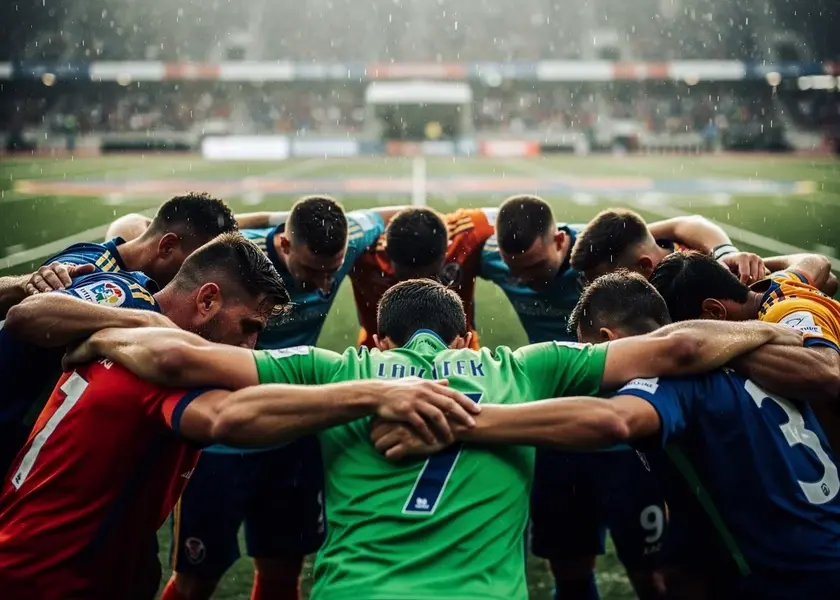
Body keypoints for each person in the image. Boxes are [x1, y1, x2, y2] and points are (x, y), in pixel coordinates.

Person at [65, 278, 798, 600]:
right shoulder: (527, 365)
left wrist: (95, 332)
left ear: (379, 335)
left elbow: (174, 360)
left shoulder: (335, 367)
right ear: (469, 336)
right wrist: (779, 323)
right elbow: (676, 350)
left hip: (359, 593)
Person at [0, 234, 476, 600]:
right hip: (54, 576)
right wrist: (371, 394)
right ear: (206, 301)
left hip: (49, 549)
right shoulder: (164, 370)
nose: (250, 347)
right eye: (248, 328)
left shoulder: (118, 314)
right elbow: (226, 419)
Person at [376, 273, 834, 600]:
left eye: (591, 347)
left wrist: (461, 421)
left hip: (789, 577)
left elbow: (613, 421)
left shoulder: (671, 384)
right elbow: (810, 269)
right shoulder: (776, 366)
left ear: (609, 338)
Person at [480, 196, 759, 599]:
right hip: (558, 436)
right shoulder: (506, 257)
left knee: (657, 576)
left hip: (633, 440)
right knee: (569, 569)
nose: (525, 279)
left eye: (537, 268)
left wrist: (726, 251)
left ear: (560, 241)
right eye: (514, 271)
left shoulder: (599, 253)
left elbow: (684, 225)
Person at [165, 196, 387, 600]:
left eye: (331, 273)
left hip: (291, 439)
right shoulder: (230, 258)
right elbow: (148, 235)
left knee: (283, 574)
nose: (323, 286)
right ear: (284, 245)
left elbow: (388, 217)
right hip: (216, 447)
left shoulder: (346, 239)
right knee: (195, 581)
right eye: (311, 273)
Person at [0, 192, 237, 474]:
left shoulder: (127, 275)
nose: (200, 277)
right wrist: (143, 321)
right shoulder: (94, 270)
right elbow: (23, 317)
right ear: (167, 246)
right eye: (198, 264)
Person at [649, 251, 840, 451]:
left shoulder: (783, 311)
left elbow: (826, 375)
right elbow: (819, 263)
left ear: (715, 311)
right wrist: (757, 263)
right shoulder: (779, 282)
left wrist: (715, 347)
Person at [351, 206, 496, 349]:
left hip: (455, 352)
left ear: (447, 248)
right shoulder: (363, 250)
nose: (420, 289)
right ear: (387, 251)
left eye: (430, 278)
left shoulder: (463, 236)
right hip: (383, 356)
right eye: (406, 279)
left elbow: (511, 216)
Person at [570, 207, 766, 286]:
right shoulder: (663, 248)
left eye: (612, 282)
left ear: (646, 266)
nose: (604, 293)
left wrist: (725, 255)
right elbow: (681, 224)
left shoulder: (697, 279)